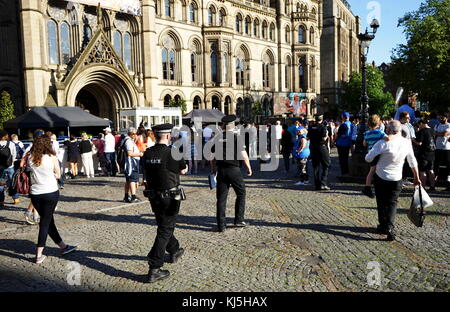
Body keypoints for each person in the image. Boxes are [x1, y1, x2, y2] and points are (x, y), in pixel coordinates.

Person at [142, 123, 188, 283]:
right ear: (168, 136)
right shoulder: (172, 152)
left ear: (155, 135)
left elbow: (145, 173)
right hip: (170, 196)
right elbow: (182, 170)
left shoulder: (147, 153)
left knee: (163, 225)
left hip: (154, 196)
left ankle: (174, 249)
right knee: (165, 229)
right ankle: (154, 267)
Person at [365, 120, 421, 241]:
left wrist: (376, 153)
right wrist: (416, 176)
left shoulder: (382, 143)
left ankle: (382, 226)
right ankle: (389, 227)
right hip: (397, 177)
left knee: (381, 201)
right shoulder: (406, 143)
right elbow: (412, 160)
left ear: (388, 130)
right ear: (400, 130)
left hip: (381, 176)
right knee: (392, 202)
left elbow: (368, 158)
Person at [27, 134, 77, 263]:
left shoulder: (30, 157)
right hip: (50, 191)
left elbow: (29, 172)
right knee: (45, 223)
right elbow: (58, 175)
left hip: (35, 193)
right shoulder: (51, 157)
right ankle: (39, 254)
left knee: (48, 221)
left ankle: (63, 246)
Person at [211, 115, 252, 232]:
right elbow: (244, 155)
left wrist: (213, 169)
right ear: (233, 125)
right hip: (233, 169)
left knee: (221, 198)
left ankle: (221, 225)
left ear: (223, 126)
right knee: (241, 193)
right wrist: (249, 167)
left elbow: (211, 156)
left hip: (221, 170)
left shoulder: (218, 138)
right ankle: (239, 219)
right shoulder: (236, 137)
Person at [362, 115, 388, 198]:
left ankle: (367, 186)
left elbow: (364, 144)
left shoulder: (366, 133)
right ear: (378, 123)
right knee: (377, 170)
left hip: (371, 153)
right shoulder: (379, 133)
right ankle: (370, 187)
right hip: (378, 154)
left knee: (371, 171)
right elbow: (387, 139)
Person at [307, 114, 331, 191]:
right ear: (322, 119)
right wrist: (326, 136)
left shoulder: (311, 127)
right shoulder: (323, 127)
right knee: (327, 164)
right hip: (321, 147)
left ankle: (317, 185)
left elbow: (307, 137)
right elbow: (324, 138)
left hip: (313, 148)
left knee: (316, 167)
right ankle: (323, 183)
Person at [122, 127, 143, 203]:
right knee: (132, 180)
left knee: (128, 180)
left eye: (135, 133)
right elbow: (129, 153)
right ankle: (133, 196)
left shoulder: (128, 140)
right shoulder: (128, 141)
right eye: (133, 134)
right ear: (129, 134)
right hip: (131, 164)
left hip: (129, 164)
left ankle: (126, 196)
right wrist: (139, 154)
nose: (135, 135)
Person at [415, 119, 436, 191]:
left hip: (423, 153)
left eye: (419, 125)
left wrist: (412, 140)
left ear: (421, 123)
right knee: (431, 170)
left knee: (422, 171)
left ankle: (423, 187)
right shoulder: (432, 130)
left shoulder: (422, 131)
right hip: (432, 153)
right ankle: (432, 186)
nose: (419, 126)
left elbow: (419, 143)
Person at [0, 130, 19, 206]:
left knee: (1, 184)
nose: (8, 136)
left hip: (1, 168)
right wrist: (12, 162)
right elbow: (14, 154)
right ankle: (16, 199)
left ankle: (1, 201)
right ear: (4, 136)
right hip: (10, 166)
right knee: (12, 183)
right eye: (6, 135)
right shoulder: (11, 143)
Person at [434, 112, 450, 192]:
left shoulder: (448, 125)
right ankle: (434, 181)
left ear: (446, 118)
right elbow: (434, 134)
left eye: (442, 118)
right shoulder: (438, 125)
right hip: (438, 147)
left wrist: (438, 134)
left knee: (448, 165)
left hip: (446, 148)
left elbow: (445, 134)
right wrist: (439, 134)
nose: (440, 119)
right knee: (436, 164)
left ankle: (448, 181)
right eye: (440, 117)